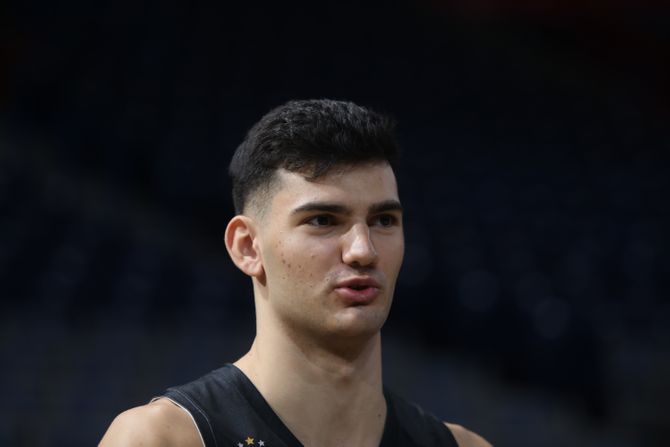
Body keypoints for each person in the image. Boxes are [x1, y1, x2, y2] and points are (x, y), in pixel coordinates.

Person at [99, 99, 491, 447]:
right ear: (248, 247)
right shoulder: (161, 440)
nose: (363, 250)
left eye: (384, 220)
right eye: (323, 220)